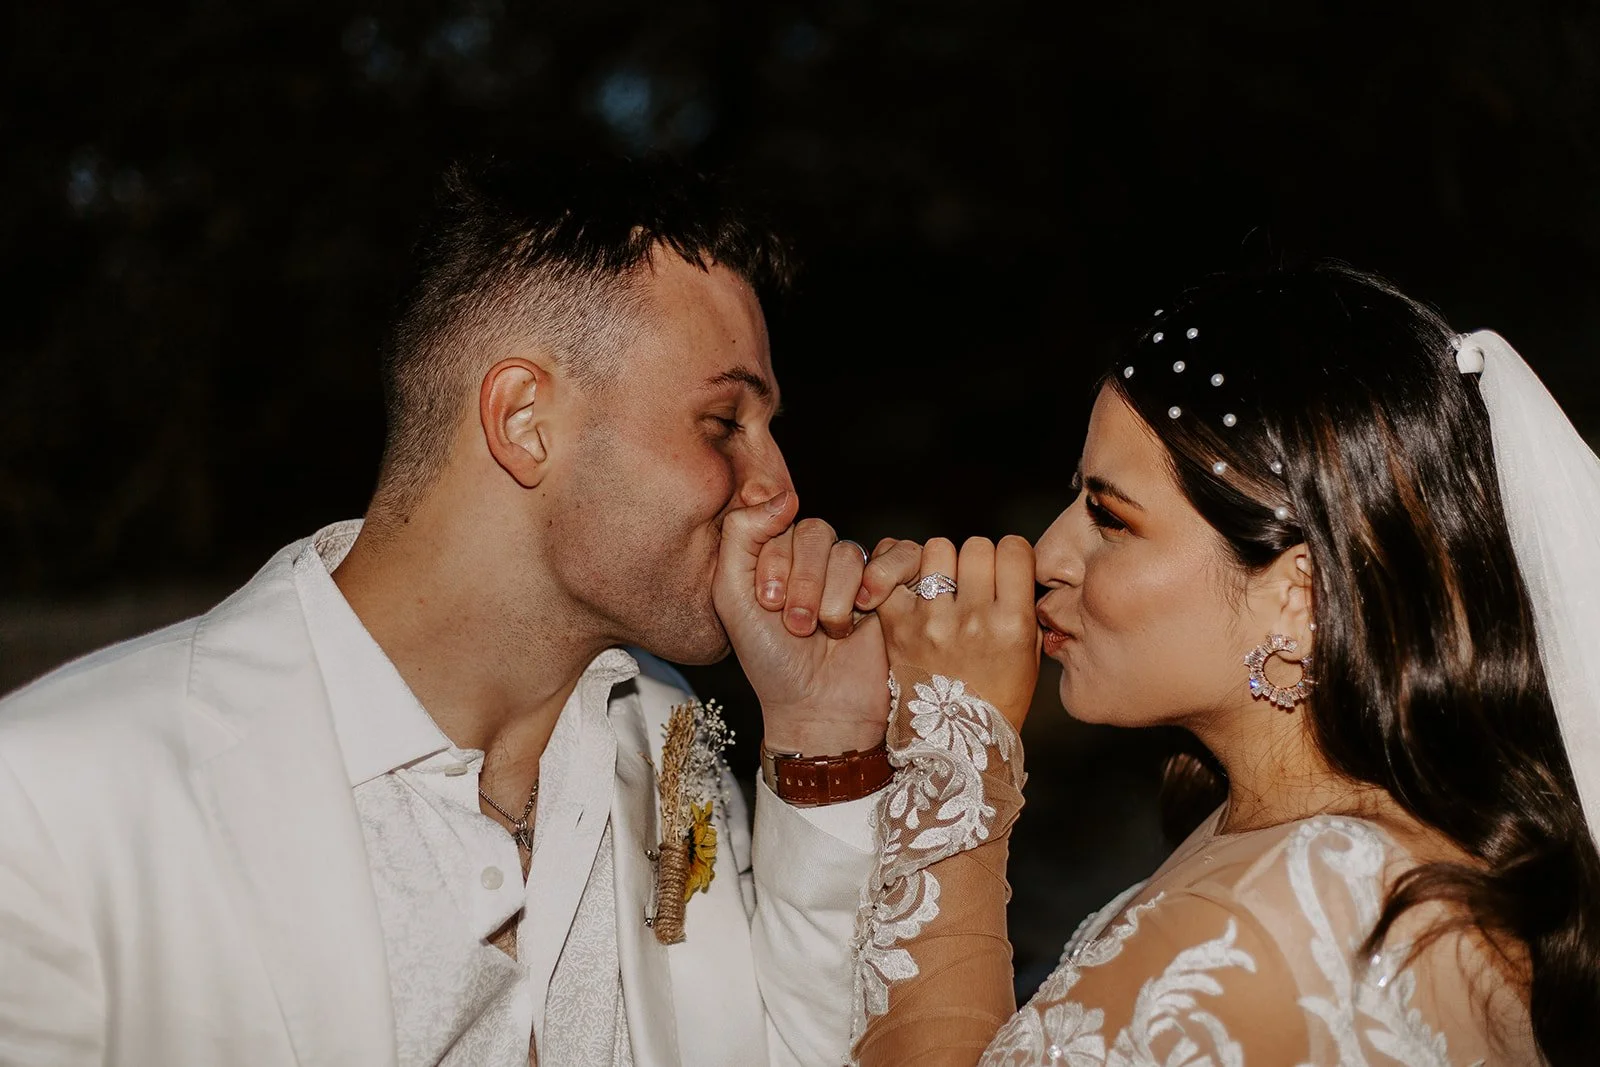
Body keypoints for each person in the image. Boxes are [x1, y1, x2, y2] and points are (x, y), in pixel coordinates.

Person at [0, 156, 922, 1067]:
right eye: (723, 423)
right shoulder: (50, 801)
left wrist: (823, 734)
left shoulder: (673, 741)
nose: (779, 489)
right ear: (524, 421)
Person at [842, 265, 1600, 1065]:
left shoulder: (1264, 926)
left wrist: (955, 749)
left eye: (1110, 517)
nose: (1049, 554)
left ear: (1298, 596)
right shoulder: (1337, 846)